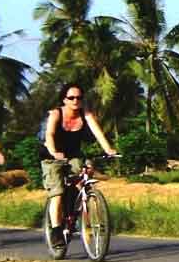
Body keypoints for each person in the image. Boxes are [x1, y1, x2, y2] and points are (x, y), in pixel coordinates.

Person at [40, 83, 120, 250]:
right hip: (52, 156)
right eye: (71, 97)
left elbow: (98, 133)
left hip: (73, 155)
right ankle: (56, 231)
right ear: (64, 99)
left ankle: (74, 212)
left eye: (79, 97)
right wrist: (54, 152)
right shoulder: (56, 114)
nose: (75, 100)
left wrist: (108, 149)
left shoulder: (86, 114)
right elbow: (50, 135)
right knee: (57, 192)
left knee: (82, 177)